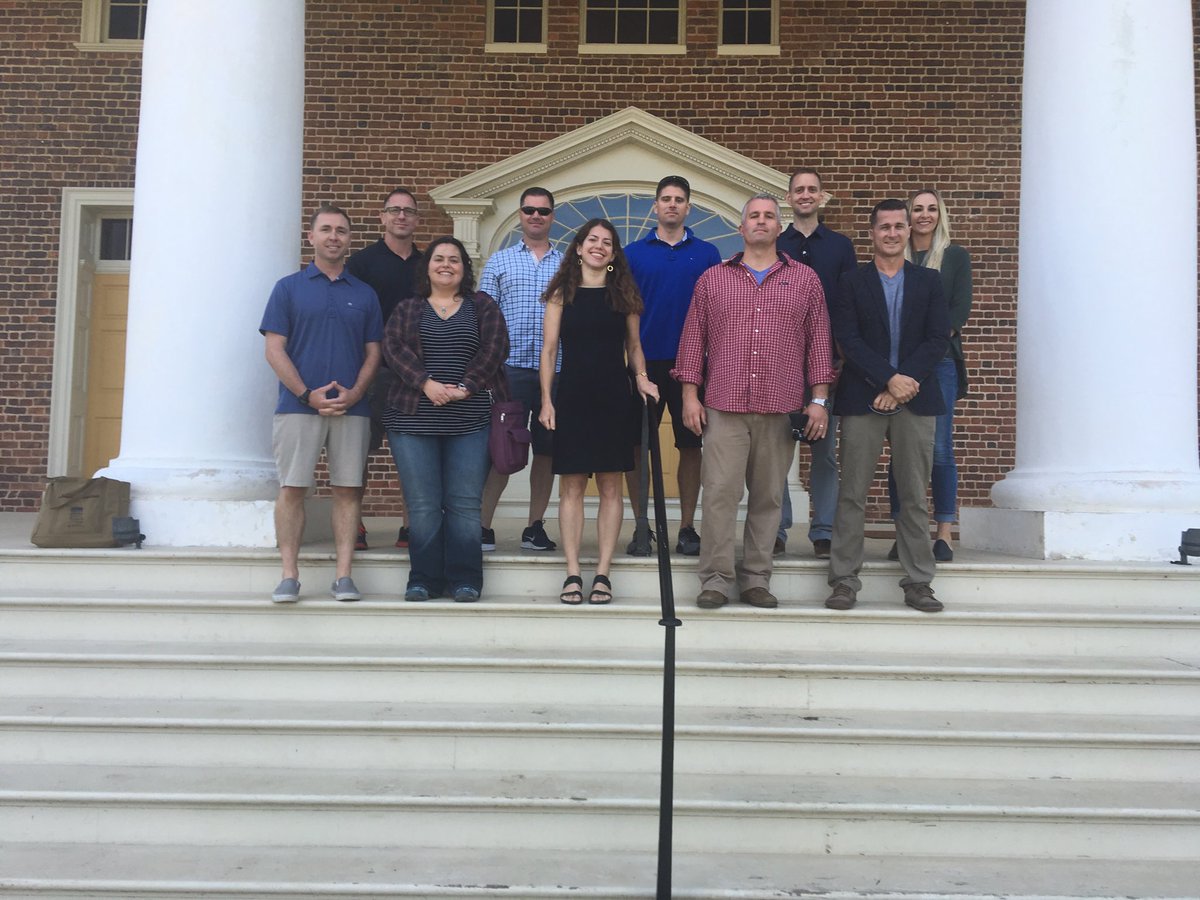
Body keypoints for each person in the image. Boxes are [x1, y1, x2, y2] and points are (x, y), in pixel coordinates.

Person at [673, 195, 833, 611]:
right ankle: (715, 579)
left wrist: (818, 400)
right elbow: (693, 342)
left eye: (769, 217)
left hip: (779, 408)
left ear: (780, 228)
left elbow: (819, 346)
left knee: (768, 498)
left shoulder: (805, 280)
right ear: (741, 228)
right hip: (723, 406)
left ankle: (756, 580)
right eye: (753, 216)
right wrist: (690, 395)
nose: (761, 222)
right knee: (720, 495)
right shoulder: (713, 279)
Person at [826, 199, 950, 614]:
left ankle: (918, 581)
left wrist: (901, 384)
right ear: (873, 233)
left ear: (908, 230)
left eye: (900, 226)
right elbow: (848, 338)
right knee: (852, 492)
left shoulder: (929, 281)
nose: (893, 233)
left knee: (915, 494)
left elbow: (937, 340)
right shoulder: (851, 282)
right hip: (863, 399)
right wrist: (886, 379)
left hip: (916, 399)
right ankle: (844, 579)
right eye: (885, 227)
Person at [260, 204, 382, 604]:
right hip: (298, 408)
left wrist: (356, 392)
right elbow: (274, 349)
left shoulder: (364, 294)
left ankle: (343, 575)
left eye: (342, 231)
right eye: (326, 230)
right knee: (293, 488)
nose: (334, 237)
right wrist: (304, 393)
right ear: (311, 237)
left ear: (349, 240)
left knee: (348, 490)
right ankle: (289, 575)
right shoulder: (288, 288)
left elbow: (373, 353)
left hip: (352, 409)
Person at [381, 236, 509, 603]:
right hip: (412, 420)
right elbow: (393, 348)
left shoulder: (481, 306)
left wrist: (467, 386)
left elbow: (496, 347)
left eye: (455, 259)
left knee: (465, 502)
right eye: (439, 259)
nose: (446, 265)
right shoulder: (408, 308)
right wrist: (426, 384)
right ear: (428, 267)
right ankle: (424, 578)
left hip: (470, 419)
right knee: (422, 503)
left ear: (465, 269)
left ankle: (466, 579)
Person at [538, 219, 658, 605]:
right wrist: (546, 400)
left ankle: (603, 572)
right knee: (571, 486)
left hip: (612, 397)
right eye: (592, 239)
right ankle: (573, 572)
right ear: (578, 247)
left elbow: (635, 346)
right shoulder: (561, 293)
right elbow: (549, 349)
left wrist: (641, 378)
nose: (599, 246)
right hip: (572, 395)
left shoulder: (623, 293)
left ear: (613, 253)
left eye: (607, 243)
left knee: (611, 486)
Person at [623, 175, 721, 557]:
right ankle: (642, 526)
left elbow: (717, 311)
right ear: (655, 206)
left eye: (679, 199)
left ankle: (686, 527)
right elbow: (617, 303)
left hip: (691, 366)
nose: (672, 205)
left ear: (688, 207)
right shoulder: (630, 254)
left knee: (690, 445)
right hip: (642, 364)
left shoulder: (708, 254)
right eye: (665, 199)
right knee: (636, 446)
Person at [885, 187, 973, 562]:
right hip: (899, 367)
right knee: (900, 451)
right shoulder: (895, 255)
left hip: (939, 364)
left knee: (939, 449)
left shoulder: (953, 257)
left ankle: (943, 533)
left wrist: (922, 356)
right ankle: (904, 531)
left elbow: (957, 316)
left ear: (941, 214)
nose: (924, 215)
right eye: (917, 209)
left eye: (931, 209)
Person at [774, 167, 858, 560]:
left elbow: (848, 305)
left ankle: (823, 530)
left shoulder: (840, 246)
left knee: (824, 452)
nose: (805, 195)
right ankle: (775, 528)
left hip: (828, 363)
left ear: (821, 197)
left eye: (812, 190)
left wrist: (842, 356)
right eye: (798, 190)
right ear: (789, 199)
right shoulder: (777, 244)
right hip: (783, 361)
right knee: (776, 451)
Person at [478, 188, 563, 553]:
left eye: (543, 211)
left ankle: (534, 526)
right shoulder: (499, 261)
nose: (536, 216)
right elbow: (482, 317)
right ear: (520, 214)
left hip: (556, 372)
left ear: (552, 217)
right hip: (509, 371)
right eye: (529, 210)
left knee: (546, 452)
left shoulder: (568, 263)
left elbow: (608, 272)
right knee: (500, 449)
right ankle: (481, 526)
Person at [346, 187, 423, 551]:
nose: (401, 216)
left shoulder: (427, 265)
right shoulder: (361, 264)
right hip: (371, 369)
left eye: (408, 211)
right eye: (394, 210)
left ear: (416, 219)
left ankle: (409, 527)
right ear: (383, 217)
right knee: (359, 450)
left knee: (411, 452)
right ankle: (355, 524)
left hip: (414, 373)